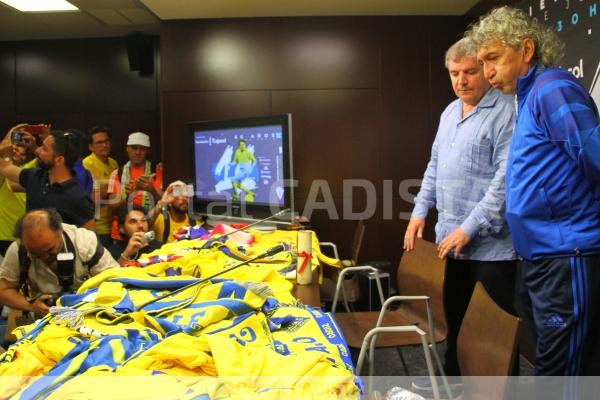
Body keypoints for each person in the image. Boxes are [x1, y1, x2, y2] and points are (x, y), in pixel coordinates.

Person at [466, 6, 600, 382]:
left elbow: (595, 157)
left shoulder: (553, 87)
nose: (486, 71)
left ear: (526, 50)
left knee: (563, 371)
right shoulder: (527, 97)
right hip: (543, 257)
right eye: (482, 62)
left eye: (493, 58)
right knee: (558, 362)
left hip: (566, 254)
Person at [403, 38, 517, 388]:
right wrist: (420, 211)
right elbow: (435, 166)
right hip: (450, 242)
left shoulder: (507, 111)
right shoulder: (450, 112)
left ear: (485, 69)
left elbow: (505, 180)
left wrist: (470, 227)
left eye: (469, 71)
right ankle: (454, 386)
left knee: (491, 337)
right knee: (454, 319)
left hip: (492, 248)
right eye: (454, 73)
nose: (461, 80)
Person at [0, 209, 116, 316]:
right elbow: (4, 290)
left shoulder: (84, 242)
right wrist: (31, 306)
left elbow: (115, 281)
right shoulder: (18, 249)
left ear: (60, 231)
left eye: (50, 250)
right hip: (44, 318)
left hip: (90, 312)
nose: (44, 257)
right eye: (36, 253)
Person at [0, 130, 95, 230]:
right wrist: (6, 147)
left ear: (59, 160)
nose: (38, 151)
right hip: (28, 244)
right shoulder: (35, 176)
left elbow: (91, 239)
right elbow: (4, 168)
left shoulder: (77, 197)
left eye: (44, 149)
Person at [107, 131, 162, 240]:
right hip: (122, 234)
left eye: (142, 149)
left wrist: (150, 189)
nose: (138, 152)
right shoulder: (117, 173)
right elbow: (112, 209)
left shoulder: (157, 171)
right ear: (127, 149)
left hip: (151, 229)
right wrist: (128, 196)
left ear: (148, 151)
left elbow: (165, 203)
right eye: (134, 148)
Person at [0, 125, 37, 256]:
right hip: (4, 237)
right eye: (12, 149)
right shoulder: (2, 171)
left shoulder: (28, 170)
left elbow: (43, 161)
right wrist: (12, 132)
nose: (14, 151)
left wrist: (34, 146)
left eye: (19, 151)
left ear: (24, 157)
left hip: (26, 234)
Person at [83, 126, 119, 247]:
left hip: (114, 225)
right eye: (99, 142)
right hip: (97, 227)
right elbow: (90, 199)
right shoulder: (87, 165)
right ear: (90, 147)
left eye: (107, 141)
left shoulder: (113, 163)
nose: (105, 145)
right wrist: (113, 184)